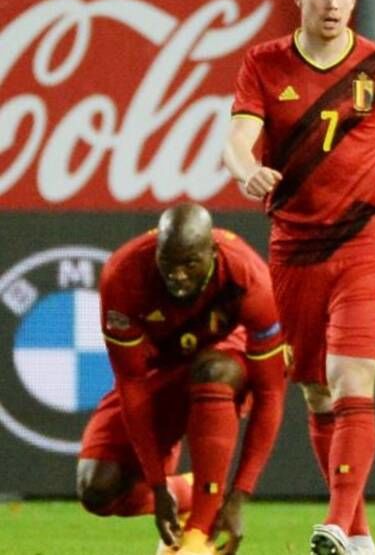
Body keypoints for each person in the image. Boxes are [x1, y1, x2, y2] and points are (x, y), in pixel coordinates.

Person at [222, 0, 375, 555]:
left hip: (367, 238)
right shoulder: (265, 63)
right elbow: (237, 139)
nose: (332, 4)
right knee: (315, 390)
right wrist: (245, 171)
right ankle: (358, 536)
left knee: (351, 376)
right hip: (294, 247)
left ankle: (335, 523)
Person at [77, 203, 285, 555]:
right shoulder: (123, 274)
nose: (178, 276)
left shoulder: (248, 277)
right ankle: (189, 491)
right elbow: (132, 384)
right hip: (161, 366)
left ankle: (198, 534)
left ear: (212, 252)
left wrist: (240, 496)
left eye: (190, 263)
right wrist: (159, 487)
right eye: (168, 262)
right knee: (96, 490)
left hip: (224, 354)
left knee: (213, 370)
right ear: (156, 250)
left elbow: (270, 393)